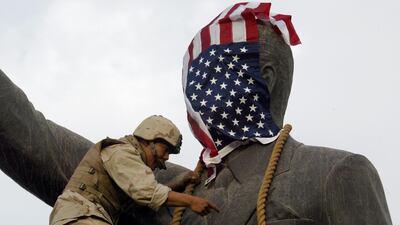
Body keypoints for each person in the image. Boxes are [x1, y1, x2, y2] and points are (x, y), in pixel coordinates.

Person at [49, 115, 218, 225]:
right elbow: (146, 192)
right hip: (81, 217)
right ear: (148, 140)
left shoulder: (129, 161)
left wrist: (178, 183)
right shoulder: (121, 152)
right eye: (165, 150)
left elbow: (140, 197)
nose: (166, 158)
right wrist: (191, 201)